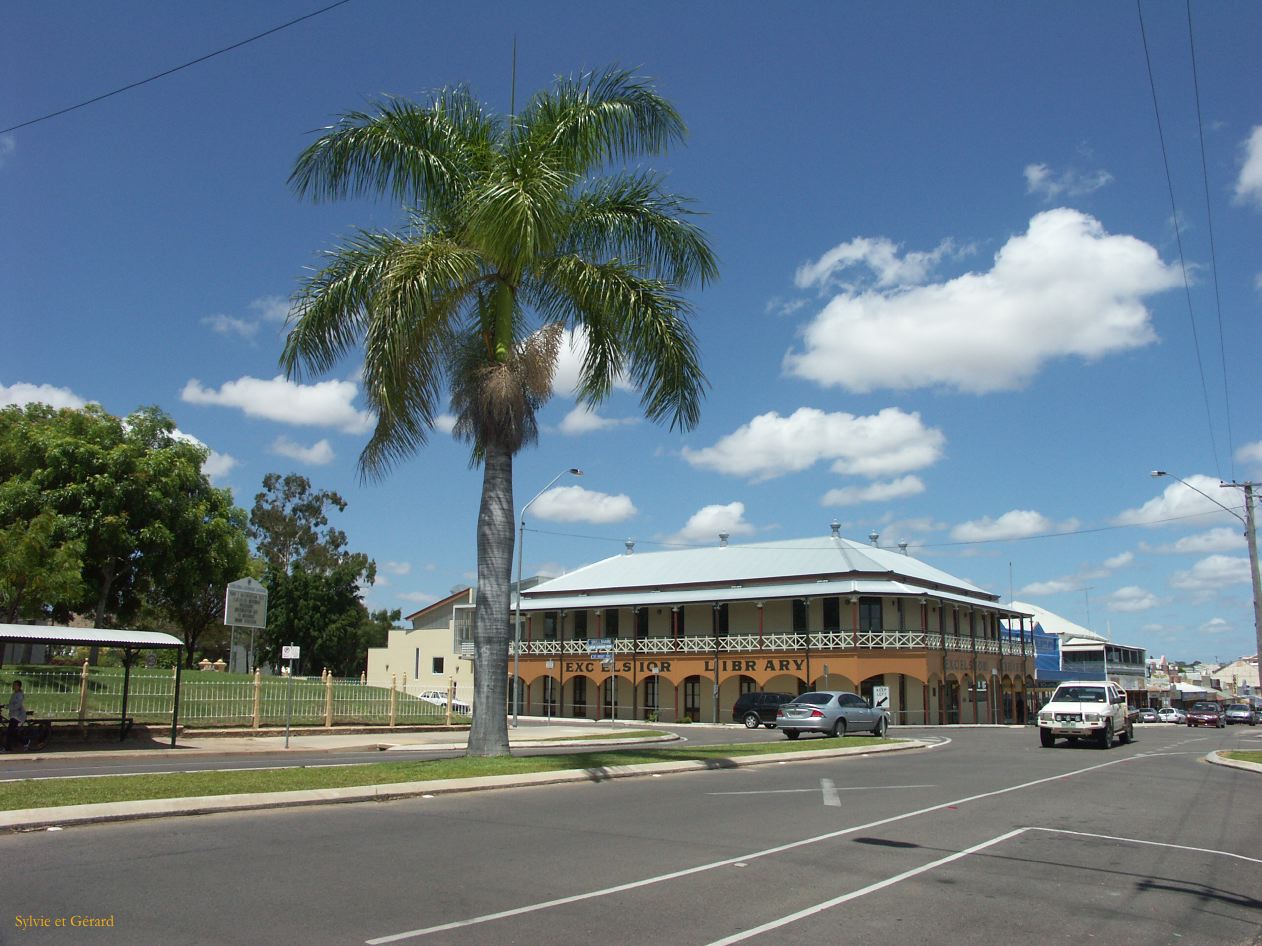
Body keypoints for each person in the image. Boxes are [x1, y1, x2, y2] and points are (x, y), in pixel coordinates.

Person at [5, 679, 28, 751]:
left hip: (18, 715)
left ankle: (8, 748)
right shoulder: (14, 694)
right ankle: (24, 742)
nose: (13, 686)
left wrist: (8, 706)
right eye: (13, 685)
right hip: (14, 715)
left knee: (10, 732)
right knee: (12, 732)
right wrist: (5, 705)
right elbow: (12, 703)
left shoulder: (20, 695)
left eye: (15, 685)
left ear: (19, 686)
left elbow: (17, 705)